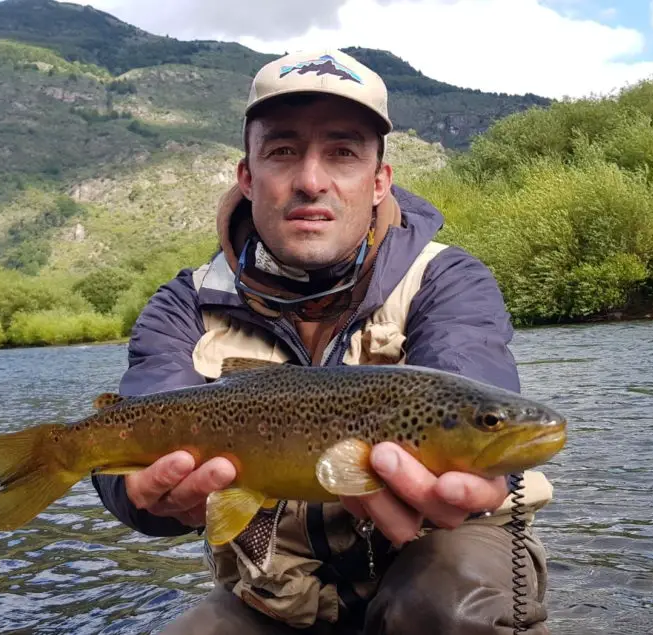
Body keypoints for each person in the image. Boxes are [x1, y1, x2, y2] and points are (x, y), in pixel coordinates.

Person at [92, 48, 555, 634]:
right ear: (248, 175)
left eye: (342, 153)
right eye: (283, 151)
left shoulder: (446, 279)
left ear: (381, 180)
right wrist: (136, 495)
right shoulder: (184, 303)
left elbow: (476, 393)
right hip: (275, 590)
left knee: (449, 606)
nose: (311, 181)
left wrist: (486, 479)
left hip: (441, 551)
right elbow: (132, 425)